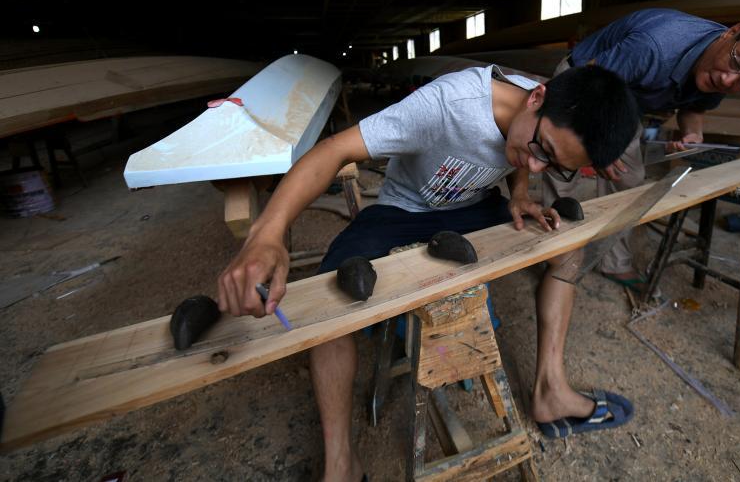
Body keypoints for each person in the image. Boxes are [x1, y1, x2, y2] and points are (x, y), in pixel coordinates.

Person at [217, 63, 641, 481]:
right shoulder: (446, 106)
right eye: (542, 149)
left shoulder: (540, 119)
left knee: (567, 248)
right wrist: (268, 233)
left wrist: (520, 193)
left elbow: (527, 160)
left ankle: (550, 391)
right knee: (332, 303)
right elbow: (334, 150)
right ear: (535, 98)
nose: (536, 165)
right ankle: (340, 464)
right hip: (403, 211)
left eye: (554, 165)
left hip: (471, 208)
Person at [546, 9, 740, 288]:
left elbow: (694, 107)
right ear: (732, 32)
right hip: (582, 82)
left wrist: (693, 133)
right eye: (737, 62)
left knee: (629, 180)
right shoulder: (654, 46)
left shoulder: (730, 66)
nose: (728, 81)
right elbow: (587, 88)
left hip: (627, 99)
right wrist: (598, 144)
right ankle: (555, 258)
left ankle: (613, 262)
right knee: (562, 165)